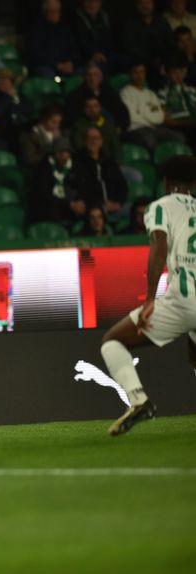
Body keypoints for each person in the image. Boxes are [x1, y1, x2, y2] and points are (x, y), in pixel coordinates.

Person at [99, 155, 196, 434]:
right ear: (193, 183)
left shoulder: (160, 206)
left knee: (112, 341)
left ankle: (139, 400)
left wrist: (150, 299)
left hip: (183, 300)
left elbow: (159, 249)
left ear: (165, 182)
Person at [121, 62, 187, 150]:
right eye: (136, 72)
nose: (139, 76)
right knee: (149, 140)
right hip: (135, 129)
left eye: (142, 72)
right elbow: (132, 118)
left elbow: (160, 116)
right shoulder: (125, 93)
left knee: (178, 137)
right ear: (130, 74)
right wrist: (150, 115)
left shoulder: (150, 94)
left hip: (154, 129)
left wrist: (142, 113)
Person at [71, 127, 128, 220]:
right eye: (90, 139)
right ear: (84, 141)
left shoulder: (109, 162)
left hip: (112, 205)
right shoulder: (77, 163)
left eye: (96, 138)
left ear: (101, 141)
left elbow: (122, 185)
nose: (93, 142)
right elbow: (79, 189)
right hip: (91, 208)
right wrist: (100, 205)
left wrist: (118, 203)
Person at [30, 137, 83, 224]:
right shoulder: (43, 168)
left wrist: (80, 201)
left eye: (64, 152)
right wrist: (68, 203)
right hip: (51, 207)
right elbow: (43, 194)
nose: (61, 155)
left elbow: (82, 187)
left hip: (72, 204)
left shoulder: (76, 168)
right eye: (58, 152)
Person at [64, 62, 130, 131]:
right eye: (89, 75)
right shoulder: (75, 96)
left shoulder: (110, 93)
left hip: (110, 130)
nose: (92, 79)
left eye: (96, 75)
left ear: (101, 77)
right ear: (84, 77)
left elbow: (122, 112)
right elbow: (72, 119)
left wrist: (119, 128)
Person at [122, 0, 175, 84]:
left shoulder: (161, 21)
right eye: (141, 3)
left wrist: (165, 62)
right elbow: (131, 48)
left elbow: (171, 44)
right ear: (137, 5)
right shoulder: (130, 23)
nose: (145, 6)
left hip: (163, 62)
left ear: (153, 4)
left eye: (148, 3)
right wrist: (151, 61)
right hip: (141, 62)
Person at [28, 0, 78, 80]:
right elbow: (36, 54)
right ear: (45, 12)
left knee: (81, 73)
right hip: (46, 66)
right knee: (48, 74)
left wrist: (70, 62)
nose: (55, 14)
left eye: (57, 11)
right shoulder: (37, 29)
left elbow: (73, 49)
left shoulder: (64, 28)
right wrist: (56, 65)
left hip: (65, 65)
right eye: (51, 11)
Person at [70, 95, 122, 161]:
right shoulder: (78, 126)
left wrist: (115, 166)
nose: (92, 110)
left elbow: (116, 148)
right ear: (84, 109)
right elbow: (79, 148)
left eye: (95, 106)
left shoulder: (108, 125)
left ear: (100, 108)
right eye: (88, 107)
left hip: (109, 163)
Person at [159, 55, 196, 144]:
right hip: (180, 125)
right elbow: (166, 119)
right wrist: (186, 122)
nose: (178, 75)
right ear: (167, 74)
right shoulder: (163, 93)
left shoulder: (192, 91)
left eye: (180, 71)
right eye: (174, 72)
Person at [74, 0, 117, 73]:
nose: (92, 4)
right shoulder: (76, 18)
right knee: (98, 67)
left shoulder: (104, 16)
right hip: (85, 57)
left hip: (105, 54)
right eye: (89, 1)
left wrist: (105, 54)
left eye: (95, 1)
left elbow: (109, 39)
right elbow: (80, 42)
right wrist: (93, 54)